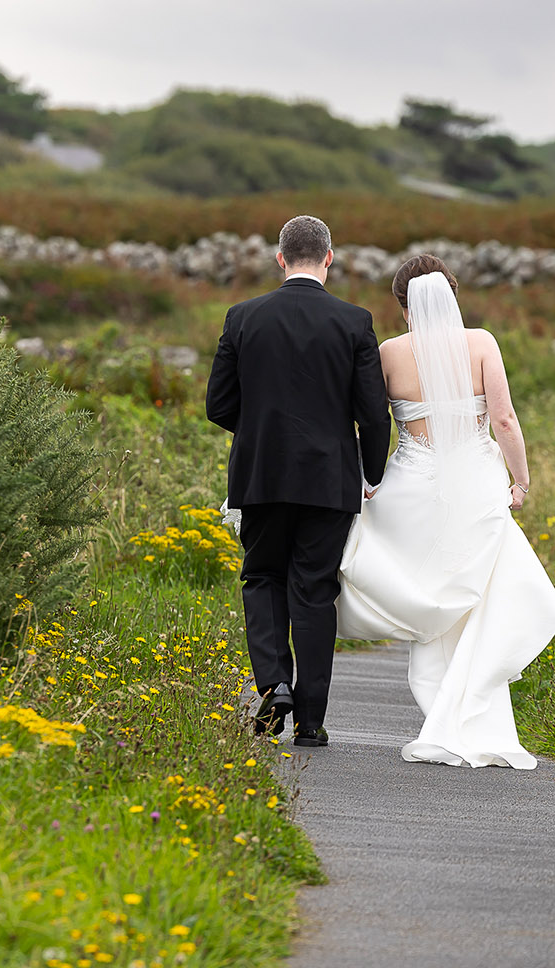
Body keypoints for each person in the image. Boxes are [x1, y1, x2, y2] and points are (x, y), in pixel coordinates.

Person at [334, 254, 555, 768]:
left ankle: (441, 713)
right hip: (478, 482)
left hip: (413, 485)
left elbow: (371, 420)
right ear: (453, 295)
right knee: (480, 599)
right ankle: (473, 713)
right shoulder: (481, 343)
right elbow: (504, 420)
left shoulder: (390, 352)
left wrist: (368, 479)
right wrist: (521, 480)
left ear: (403, 305)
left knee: (433, 597)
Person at [206, 215, 391, 748]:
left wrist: (261, 433)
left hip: (260, 473)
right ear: (329, 258)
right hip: (329, 479)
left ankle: (274, 687)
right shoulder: (354, 322)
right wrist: (371, 473)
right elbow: (373, 414)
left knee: (263, 577)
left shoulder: (242, 317)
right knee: (314, 591)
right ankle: (310, 723)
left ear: (280, 258)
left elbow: (218, 404)